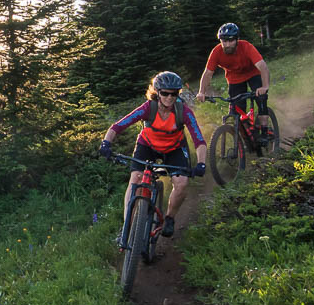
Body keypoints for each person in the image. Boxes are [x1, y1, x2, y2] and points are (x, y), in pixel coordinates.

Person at [98, 70, 206, 242]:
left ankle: (169, 218)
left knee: (182, 182)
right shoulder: (149, 108)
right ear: (157, 93)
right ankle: (127, 227)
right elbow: (118, 126)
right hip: (147, 145)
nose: (169, 98)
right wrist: (106, 143)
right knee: (135, 178)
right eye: (165, 93)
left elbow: (199, 140)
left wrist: (201, 163)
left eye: (174, 94)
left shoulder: (183, 112)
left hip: (174, 148)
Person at [197, 22, 270, 110]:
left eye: (231, 41)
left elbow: (263, 67)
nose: (227, 45)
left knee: (261, 100)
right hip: (234, 78)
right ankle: (241, 123)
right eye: (224, 41)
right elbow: (208, 73)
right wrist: (201, 92)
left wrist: (265, 86)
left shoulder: (246, 46)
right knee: (237, 111)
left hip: (253, 73)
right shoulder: (216, 52)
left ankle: (264, 121)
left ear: (237, 39)